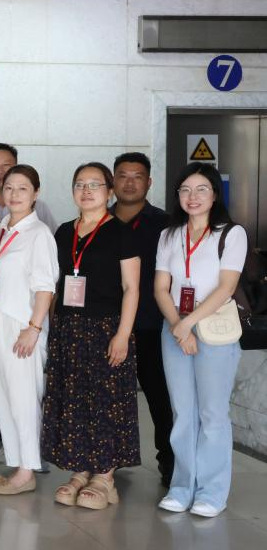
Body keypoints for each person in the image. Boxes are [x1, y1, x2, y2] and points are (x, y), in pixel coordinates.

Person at [43, 162, 141, 510]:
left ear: (109, 191)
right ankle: (80, 470)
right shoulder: (63, 232)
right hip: (69, 328)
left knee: (106, 403)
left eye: (95, 185)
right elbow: (55, 284)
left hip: (106, 328)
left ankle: (105, 476)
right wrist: (52, 327)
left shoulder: (121, 232)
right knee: (74, 402)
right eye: (80, 184)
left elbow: (131, 288)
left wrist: (122, 335)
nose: (86, 191)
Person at [154, 162, 247, 518]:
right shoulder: (169, 235)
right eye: (185, 190)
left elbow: (226, 287)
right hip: (175, 327)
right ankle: (182, 487)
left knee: (212, 413)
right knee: (183, 412)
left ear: (214, 194)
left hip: (213, 329)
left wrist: (188, 323)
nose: (192, 197)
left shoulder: (230, 234)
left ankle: (212, 492)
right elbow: (161, 288)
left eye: (201, 189)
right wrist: (178, 325)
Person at [0, 142, 57, 472]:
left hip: (21, 324)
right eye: (9, 188)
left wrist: (33, 328)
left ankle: (28, 468)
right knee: (1, 398)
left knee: (23, 400)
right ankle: (16, 464)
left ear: (36, 193)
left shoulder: (39, 233)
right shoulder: (2, 227)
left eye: (23, 188)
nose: (14, 194)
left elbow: (45, 286)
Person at [112, 151, 174, 486]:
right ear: (113, 181)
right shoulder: (99, 220)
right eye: (123, 175)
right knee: (107, 399)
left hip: (152, 325)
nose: (129, 182)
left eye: (137, 176)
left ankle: (169, 461)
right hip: (108, 327)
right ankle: (107, 461)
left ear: (149, 182)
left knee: (160, 399)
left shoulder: (166, 225)